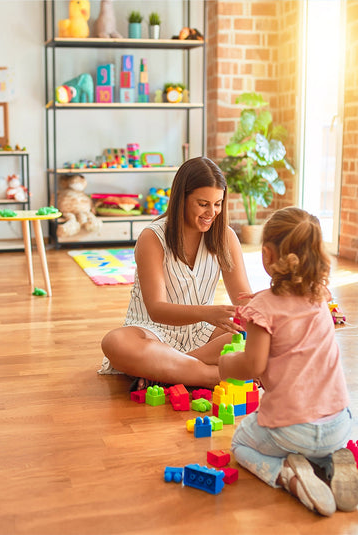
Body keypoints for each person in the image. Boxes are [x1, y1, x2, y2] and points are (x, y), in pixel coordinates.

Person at [219, 206, 358, 516]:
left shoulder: (264, 309)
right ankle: (332, 460)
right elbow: (288, 309)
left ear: (267, 255)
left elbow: (253, 365)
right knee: (318, 441)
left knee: (241, 444)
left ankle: (288, 476)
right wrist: (259, 301)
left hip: (292, 428)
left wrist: (226, 366)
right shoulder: (320, 295)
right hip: (340, 424)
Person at [100, 156, 252, 391]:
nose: (211, 212)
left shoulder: (226, 237)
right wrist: (207, 313)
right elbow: (157, 310)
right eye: (203, 204)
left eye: (218, 204)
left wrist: (282, 302)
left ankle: (166, 371)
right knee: (115, 342)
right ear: (182, 199)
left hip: (203, 334)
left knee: (256, 333)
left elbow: (244, 300)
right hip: (152, 333)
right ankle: (214, 375)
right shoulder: (152, 238)